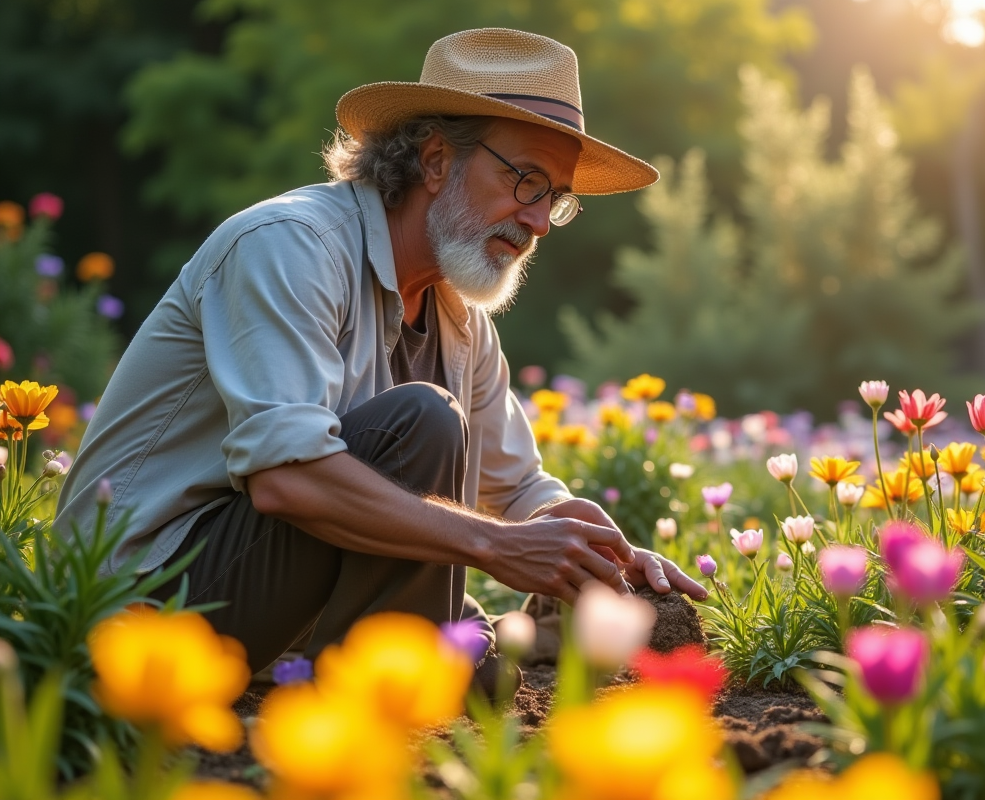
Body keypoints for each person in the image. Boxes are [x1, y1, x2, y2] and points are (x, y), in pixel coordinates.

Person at [56, 27, 707, 682]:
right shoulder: (288, 247)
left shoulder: (459, 316)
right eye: (527, 181)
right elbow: (287, 479)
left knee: (484, 671)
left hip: (268, 598)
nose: (538, 222)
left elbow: (516, 487)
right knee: (421, 423)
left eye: (557, 199)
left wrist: (583, 540)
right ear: (433, 160)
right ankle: (374, 702)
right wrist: (496, 545)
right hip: (139, 605)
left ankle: (390, 679)